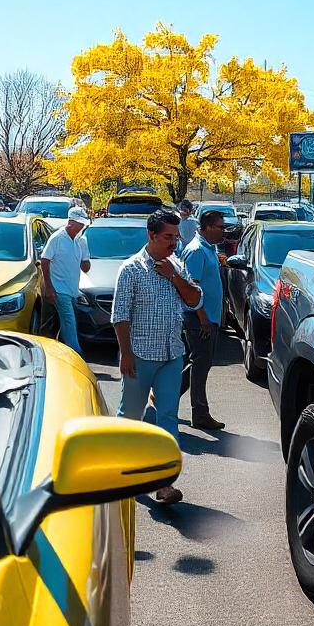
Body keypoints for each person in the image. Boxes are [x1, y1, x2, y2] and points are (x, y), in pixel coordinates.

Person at [111, 209, 203, 505]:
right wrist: (126, 354)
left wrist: (174, 276)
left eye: (176, 237)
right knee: (131, 417)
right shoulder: (131, 269)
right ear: (151, 235)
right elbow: (120, 316)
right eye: (167, 237)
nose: (174, 243)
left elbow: (195, 299)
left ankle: (164, 484)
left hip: (171, 355)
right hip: (139, 356)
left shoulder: (177, 265)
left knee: (168, 417)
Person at [181, 210, 227, 430]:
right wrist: (203, 318)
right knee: (200, 365)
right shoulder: (196, 251)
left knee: (198, 362)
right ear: (207, 227)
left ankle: (163, 396)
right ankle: (200, 413)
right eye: (220, 227)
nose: (224, 231)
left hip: (208, 317)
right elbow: (191, 290)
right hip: (199, 318)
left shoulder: (209, 248)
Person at [40, 206, 92, 353]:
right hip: (59, 289)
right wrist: (49, 287)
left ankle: (59, 352)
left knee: (63, 323)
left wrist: (85, 257)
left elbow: (86, 267)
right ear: (70, 222)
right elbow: (44, 260)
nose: (82, 227)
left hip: (73, 290)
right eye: (79, 224)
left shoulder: (81, 241)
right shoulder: (57, 238)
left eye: (83, 224)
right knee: (69, 322)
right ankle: (76, 352)